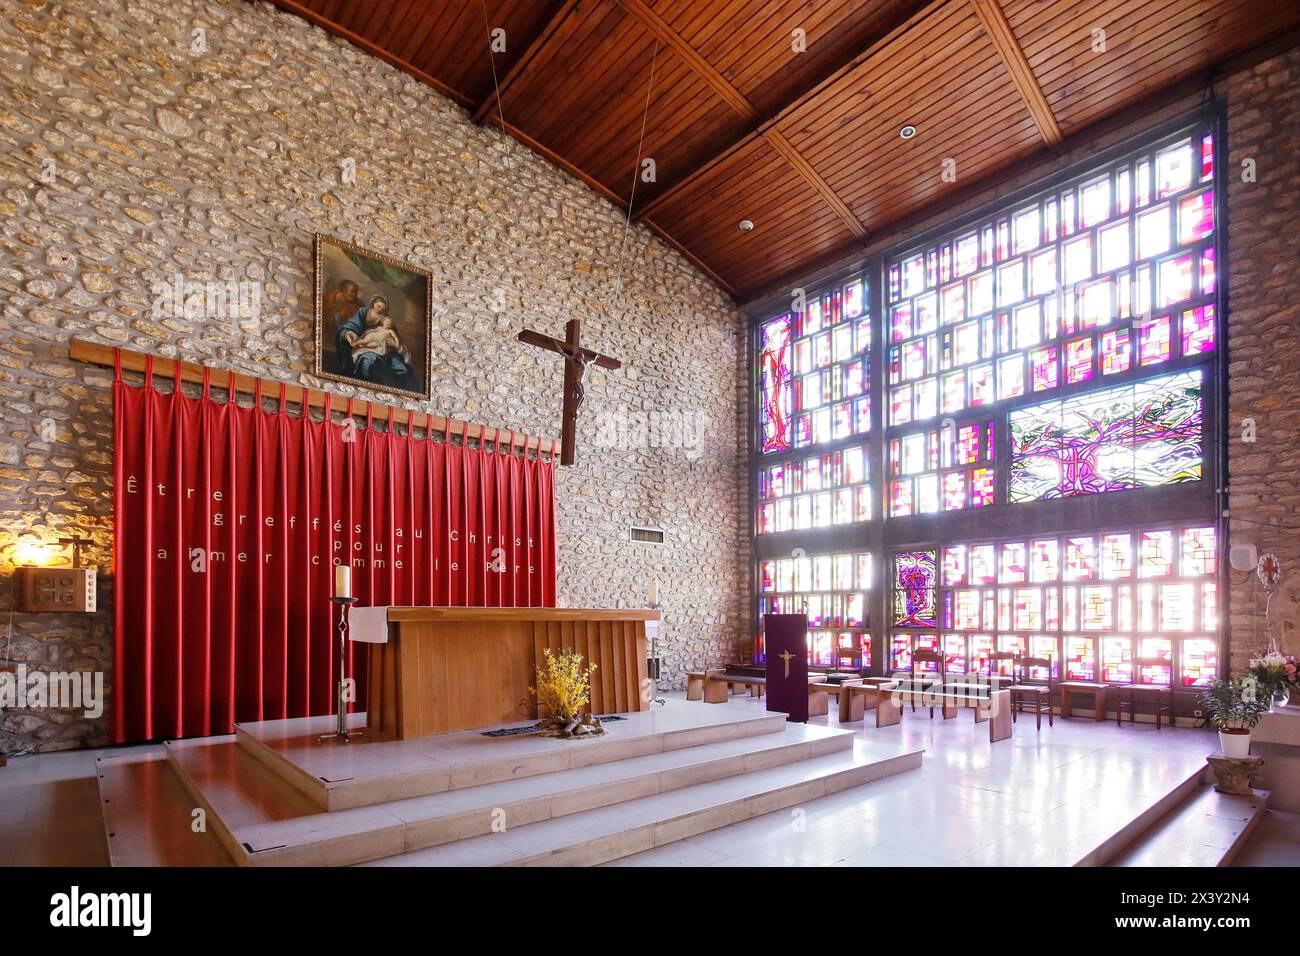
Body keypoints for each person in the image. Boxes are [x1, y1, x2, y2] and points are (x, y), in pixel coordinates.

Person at [336, 296, 413, 387]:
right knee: (368, 360)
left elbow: (398, 341)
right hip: (366, 347)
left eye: (383, 308)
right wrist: (349, 333)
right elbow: (350, 327)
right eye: (378, 306)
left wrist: (398, 346)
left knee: (401, 369)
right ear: (373, 304)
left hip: (386, 350)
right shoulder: (363, 313)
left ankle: (397, 390)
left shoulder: (388, 322)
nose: (380, 310)